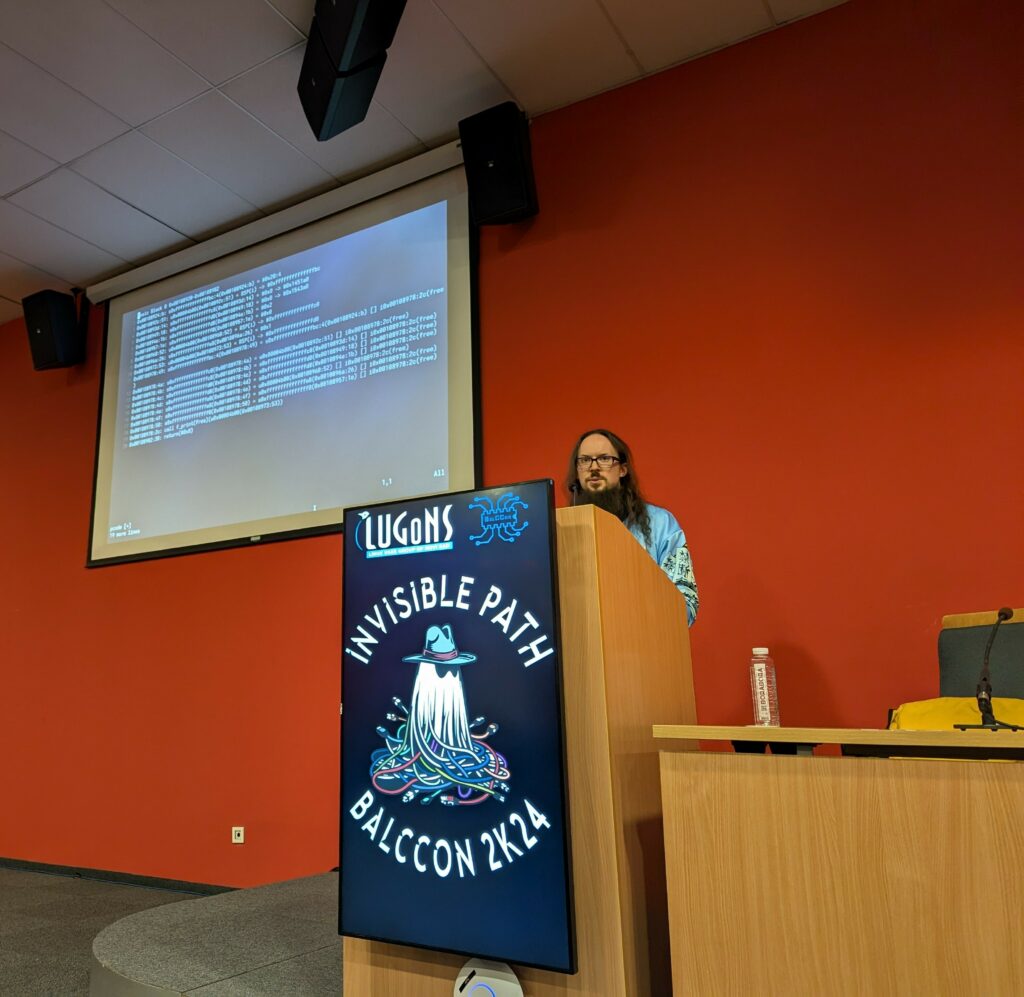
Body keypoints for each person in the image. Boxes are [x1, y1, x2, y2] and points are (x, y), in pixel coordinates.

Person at [567, 428, 699, 626]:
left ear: (622, 469)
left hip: (647, 644)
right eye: (585, 460)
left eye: (604, 458)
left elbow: (686, 605)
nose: (594, 467)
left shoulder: (661, 524)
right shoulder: (563, 529)